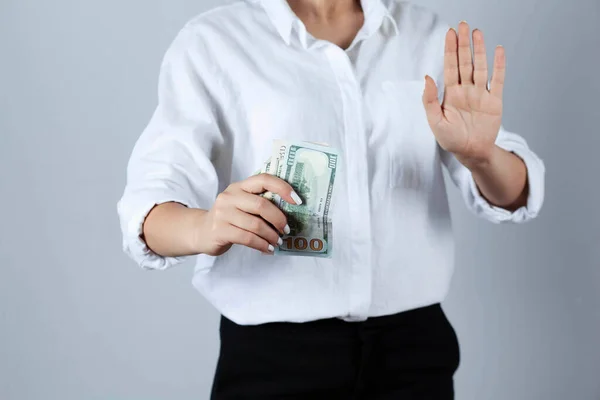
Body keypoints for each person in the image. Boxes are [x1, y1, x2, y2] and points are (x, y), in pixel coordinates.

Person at [117, 0, 545, 398]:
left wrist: (482, 156)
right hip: (273, 360)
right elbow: (150, 205)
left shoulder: (428, 36)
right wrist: (203, 226)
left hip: (414, 354)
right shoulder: (215, 41)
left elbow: (511, 195)